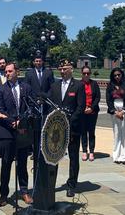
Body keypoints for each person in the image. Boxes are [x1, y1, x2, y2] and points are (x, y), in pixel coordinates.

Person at [0, 62, 33, 206]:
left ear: (17, 71)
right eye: (5, 71)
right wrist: (12, 122)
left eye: (10, 71)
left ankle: (24, 191)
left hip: (22, 131)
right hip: (7, 133)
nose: (7, 73)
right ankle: (3, 194)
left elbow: (30, 107)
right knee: (6, 165)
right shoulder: (0, 90)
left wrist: (21, 123)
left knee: (22, 164)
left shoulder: (26, 88)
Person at [49, 59, 84, 197]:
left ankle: (71, 184)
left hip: (73, 127)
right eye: (61, 69)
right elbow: (51, 104)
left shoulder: (78, 86)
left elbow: (80, 107)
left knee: (73, 157)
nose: (62, 72)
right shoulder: (55, 85)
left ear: (71, 69)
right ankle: (51, 183)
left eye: (65, 69)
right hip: (57, 128)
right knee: (54, 156)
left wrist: (68, 121)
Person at [106, 67, 125, 164]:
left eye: (119, 75)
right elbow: (108, 99)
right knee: (117, 133)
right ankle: (117, 155)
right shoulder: (110, 85)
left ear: (122, 75)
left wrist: (123, 111)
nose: (117, 77)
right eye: (115, 75)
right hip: (114, 111)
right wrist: (114, 111)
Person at [78, 65, 101, 162]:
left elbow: (97, 97)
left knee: (91, 132)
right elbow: (77, 98)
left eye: (88, 73)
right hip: (82, 112)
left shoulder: (94, 84)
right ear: (81, 74)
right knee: (83, 132)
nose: (86, 75)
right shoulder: (78, 84)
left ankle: (91, 151)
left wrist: (91, 108)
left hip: (92, 111)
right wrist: (83, 108)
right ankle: (84, 151)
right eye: (84, 73)